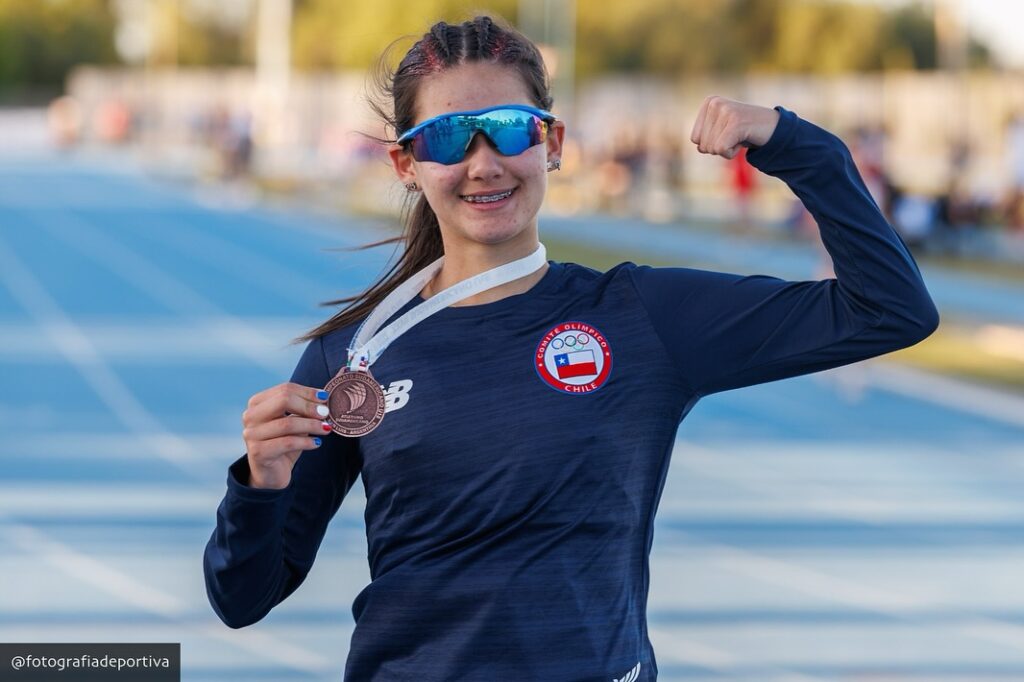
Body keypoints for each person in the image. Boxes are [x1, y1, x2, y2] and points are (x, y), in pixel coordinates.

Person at [203, 15, 939, 681]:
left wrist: (796, 144)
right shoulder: (356, 354)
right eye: (449, 139)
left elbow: (889, 310)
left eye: (511, 130)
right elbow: (243, 598)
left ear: (551, 143)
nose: (484, 163)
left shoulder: (640, 318)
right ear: (407, 165)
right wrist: (259, 487)